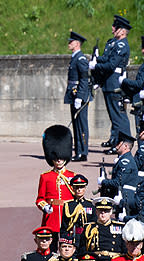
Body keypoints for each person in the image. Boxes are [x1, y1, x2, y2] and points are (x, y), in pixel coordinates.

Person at [90, 15, 131, 152]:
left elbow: (111, 64)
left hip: (115, 83)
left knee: (118, 117)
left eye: (117, 27)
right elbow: (107, 58)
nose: (114, 29)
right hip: (109, 83)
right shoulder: (114, 43)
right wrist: (97, 58)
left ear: (123, 31)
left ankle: (121, 144)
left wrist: (96, 66)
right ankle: (117, 142)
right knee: (114, 116)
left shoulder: (122, 45)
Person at [36, 125, 74, 246]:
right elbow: (40, 199)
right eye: (56, 158)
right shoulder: (45, 177)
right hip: (51, 216)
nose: (59, 160)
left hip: (67, 216)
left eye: (61, 158)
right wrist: (45, 207)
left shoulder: (72, 176)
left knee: (67, 246)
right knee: (49, 247)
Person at [120, 36, 144, 134]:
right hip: (139, 96)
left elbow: (141, 83)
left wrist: (124, 81)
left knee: (141, 128)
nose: (142, 49)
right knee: (139, 127)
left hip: (143, 97)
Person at [98, 130, 139, 217]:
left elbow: (118, 182)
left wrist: (104, 181)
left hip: (125, 196)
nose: (116, 145)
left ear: (125, 146)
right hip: (121, 195)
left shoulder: (126, 161)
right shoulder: (122, 160)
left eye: (119, 143)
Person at [65, 32, 90, 162]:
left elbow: (84, 80)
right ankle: (78, 151)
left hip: (79, 95)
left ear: (77, 44)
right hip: (73, 94)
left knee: (81, 124)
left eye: (71, 42)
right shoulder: (74, 58)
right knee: (76, 124)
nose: (69, 44)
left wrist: (80, 97)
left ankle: (83, 152)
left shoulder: (80, 59)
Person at [79, 197, 125, 261]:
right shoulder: (89, 228)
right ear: (96, 211)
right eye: (100, 211)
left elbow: (124, 248)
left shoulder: (120, 227)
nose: (103, 213)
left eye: (106, 211)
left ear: (111, 212)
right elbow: (83, 248)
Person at [60, 174, 95, 247]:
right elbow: (64, 226)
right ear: (73, 188)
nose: (79, 189)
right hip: (72, 238)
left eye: (81, 187)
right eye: (76, 187)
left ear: (85, 188)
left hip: (87, 237)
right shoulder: (68, 205)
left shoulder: (90, 204)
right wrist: (63, 241)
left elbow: (94, 223)